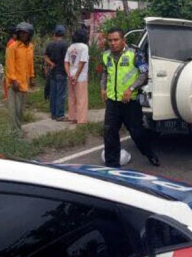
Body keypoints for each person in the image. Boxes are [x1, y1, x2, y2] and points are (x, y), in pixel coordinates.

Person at [100, 27, 159, 167]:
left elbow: (144, 74)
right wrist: (102, 88)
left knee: (137, 133)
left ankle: (149, 153)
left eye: (116, 40)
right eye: (110, 40)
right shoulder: (106, 55)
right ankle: (112, 165)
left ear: (123, 40)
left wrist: (131, 88)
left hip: (130, 102)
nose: (112, 43)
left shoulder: (135, 54)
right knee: (109, 132)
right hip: (113, 101)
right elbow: (105, 73)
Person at [5, 22, 35, 137]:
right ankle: (14, 132)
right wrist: (14, 80)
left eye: (25, 33)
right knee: (14, 109)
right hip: (14, 83)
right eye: (21, 33)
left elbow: (30, 64)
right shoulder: (13, 47)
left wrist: (31, 77)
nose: (23, 35)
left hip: (24, 82)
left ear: (29, 34)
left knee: (20, 109)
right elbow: (9, 65)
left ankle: (18, 129)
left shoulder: (30, 47)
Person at [44, 25, 70, 121]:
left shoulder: (50, 45)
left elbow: (45, 57)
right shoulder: (66, 45)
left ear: (55, 33)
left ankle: (53, 114)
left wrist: (51, 63)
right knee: (61, 94)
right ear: (63, 34)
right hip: (62, 72)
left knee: (53, 94)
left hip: (53, 72)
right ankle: (60, 115)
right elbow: (67, 60)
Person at [65, 30, 90, 125]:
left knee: (72, 98)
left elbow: (66, 62)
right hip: (80, 77)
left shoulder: (70, 47)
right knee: (82, 99)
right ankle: (81, 120)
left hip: (70, 76)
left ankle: (72, 117)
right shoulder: (84, 47)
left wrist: (69, 74)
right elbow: (82, 62)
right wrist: (76, 76)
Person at [3, 27, 17, 100]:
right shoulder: (12, 43)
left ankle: (8, 96)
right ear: (13, 35)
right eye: (16, 34)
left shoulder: (11, 42)